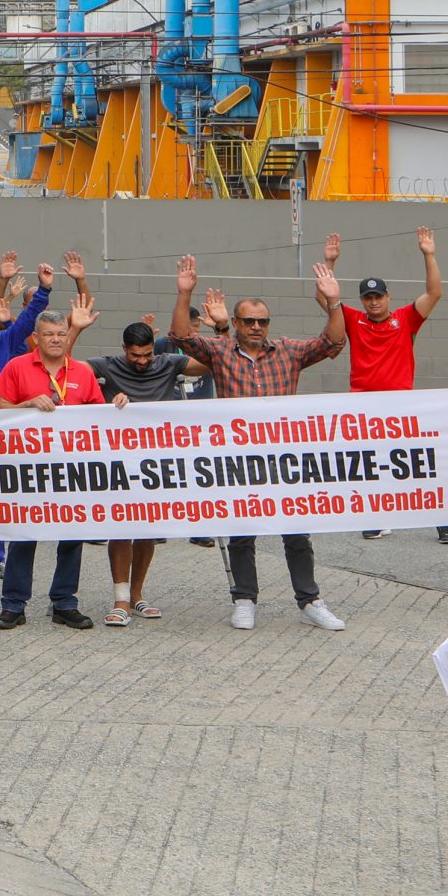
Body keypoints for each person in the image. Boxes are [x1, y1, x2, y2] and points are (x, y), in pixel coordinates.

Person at [169, 255, 349, 632]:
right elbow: (182, 338)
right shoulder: (219, 352)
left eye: (262, 321)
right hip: (238, 457)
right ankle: (245, 599)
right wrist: (184, 294)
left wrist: (334, 303)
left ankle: (309, 599)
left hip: (284, 457)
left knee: (297, 533)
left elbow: (333, 341)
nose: (255, 327)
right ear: (235, 323)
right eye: (248, 321)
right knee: (241, 532)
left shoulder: (289, 351)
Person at [327, 228, 448, 544]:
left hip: (400, 404)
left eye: (379, 296)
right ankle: (376, 518)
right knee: (370, 463)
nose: (374, 302)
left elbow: (435, 292)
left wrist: (428, 254)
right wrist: (329, 263)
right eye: (368, 297)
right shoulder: (353, 319)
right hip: (363, 403)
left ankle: (443, 521)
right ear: (362, 300)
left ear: (388, 297)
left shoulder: (406, 319)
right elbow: (326, 297)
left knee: (417, 463)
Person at [0, 306, 106, 633]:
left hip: (72, 470)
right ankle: (13, 604)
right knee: (24, 536)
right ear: (36, 338)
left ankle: (64, 602)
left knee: (72, 537)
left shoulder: (82, 371)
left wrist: (119, 406)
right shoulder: (17, 367)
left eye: (61, 334)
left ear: (68, 338)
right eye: (49, 334)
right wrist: (27, 404)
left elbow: (99, 416)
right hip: (29, 470)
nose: (55, 339)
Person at [87, 321, 207, 618]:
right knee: (121, 528)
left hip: (157, 461)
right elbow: (68, 370)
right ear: (123, 349)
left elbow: (209, 363)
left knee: (146, 531)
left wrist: (217, 331)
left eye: (147, 355)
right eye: (135, 355)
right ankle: (120, 599)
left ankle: (137, 595)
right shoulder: (108, 365)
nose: (141, 361)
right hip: (119, 460)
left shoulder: (169, 363)